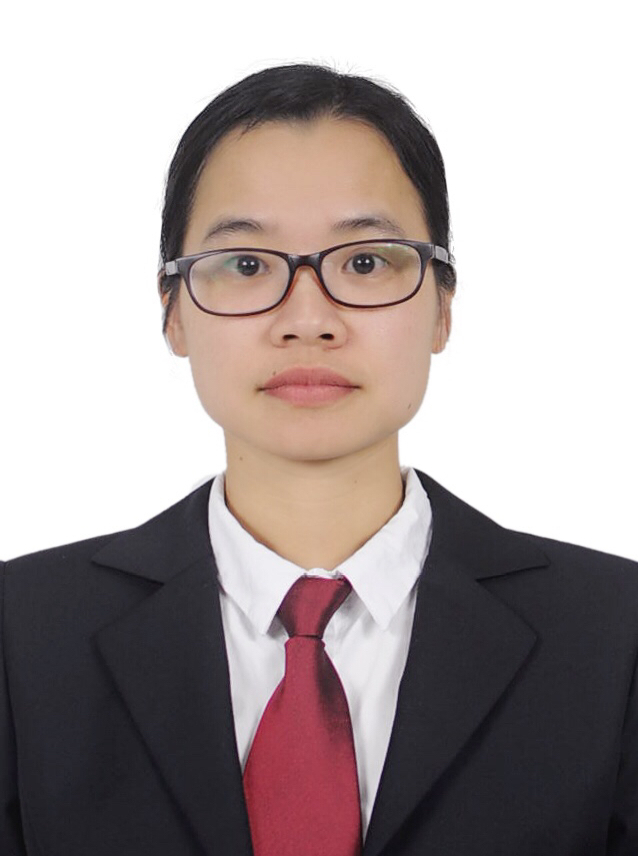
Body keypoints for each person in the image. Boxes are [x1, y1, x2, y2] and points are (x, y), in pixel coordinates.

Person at [1, 62, 637, 856]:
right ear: (173, 313)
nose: (308, 319)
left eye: (366, 262)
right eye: (246, 264)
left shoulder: (615, 634)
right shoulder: (21, 635)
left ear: (443, 306)